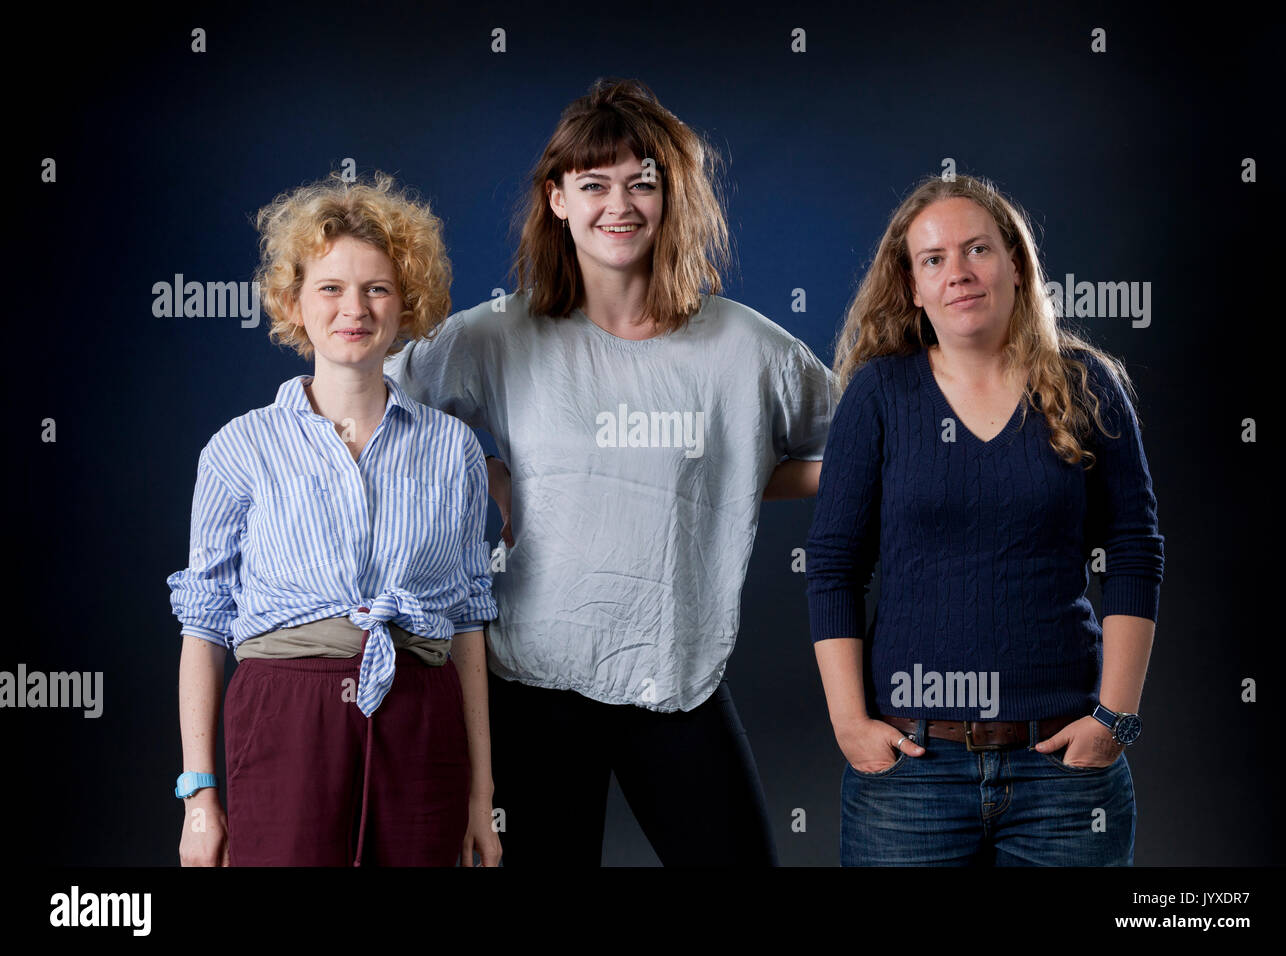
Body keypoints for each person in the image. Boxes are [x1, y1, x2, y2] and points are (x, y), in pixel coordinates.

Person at [385, 78, 837, 866]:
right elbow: (375, 406)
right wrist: (486, 472)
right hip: (533, 678)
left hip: (674, 673)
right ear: (558, 199)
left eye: (642, 182)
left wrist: (727, 477)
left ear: (672, 198)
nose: (618, 205)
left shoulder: (749, 349)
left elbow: (861, 450)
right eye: (593, 184)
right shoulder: (500, 336)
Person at [805, 173, 1164, 866]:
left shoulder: (1088, 384)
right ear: (911, 285)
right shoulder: (880, 395)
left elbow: (1134, 551)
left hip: (1063, 769)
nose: (959, 273)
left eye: (978, 250)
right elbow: (833, 567)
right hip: (912, 771)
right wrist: (850, 722)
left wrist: (1114, 719)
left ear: (1016, 264)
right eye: (934, 259)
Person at [168, 172, 500, 867]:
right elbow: (203, 623)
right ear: (294, 301)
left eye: (377, 288)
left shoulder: (454, 450)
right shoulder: (240, 448)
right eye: (330, 288)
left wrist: (481, 796)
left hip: (422, 714)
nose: (355, 308)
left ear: (406, 302)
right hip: (284, 716)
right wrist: (200, 797)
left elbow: (469, 624)